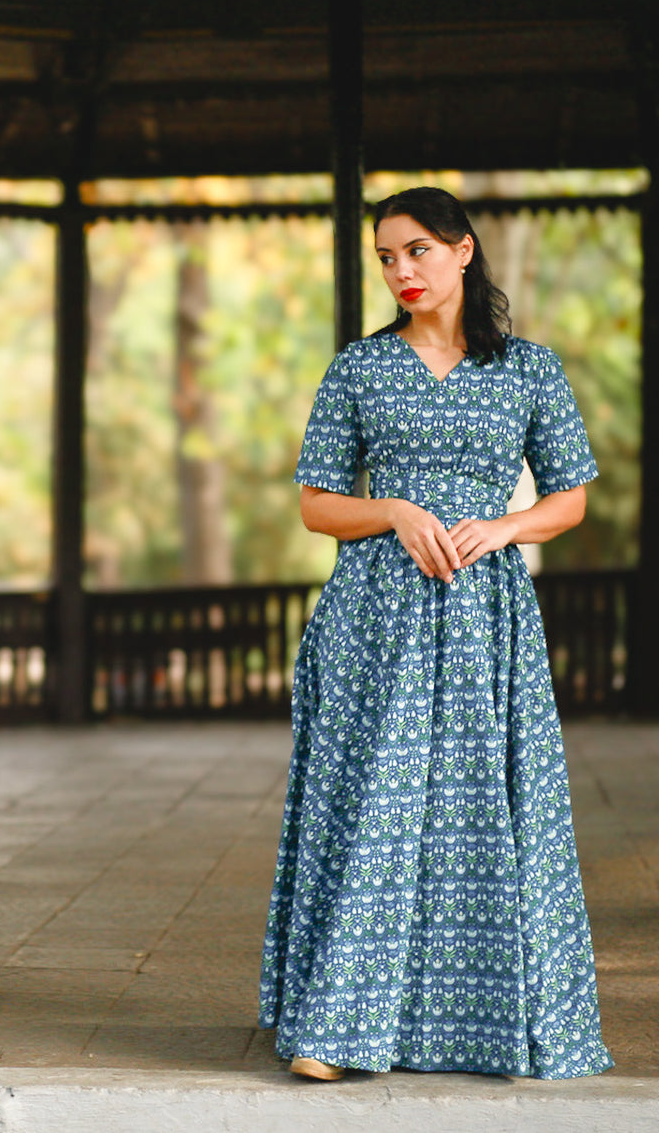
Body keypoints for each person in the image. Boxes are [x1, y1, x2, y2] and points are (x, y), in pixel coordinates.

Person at [258, 186, 613, 1082]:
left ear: (462, 251)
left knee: (477, 813)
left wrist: (502, 528)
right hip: (374, 617)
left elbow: (569, 499)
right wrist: (388, 510)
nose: (400, 271)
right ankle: (336, 1031)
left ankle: (489, 1025)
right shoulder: (359, 368)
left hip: (485, 615)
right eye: (384, 257)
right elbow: (313, 504)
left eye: (415, 250)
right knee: (374, 809)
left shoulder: (529, 369)